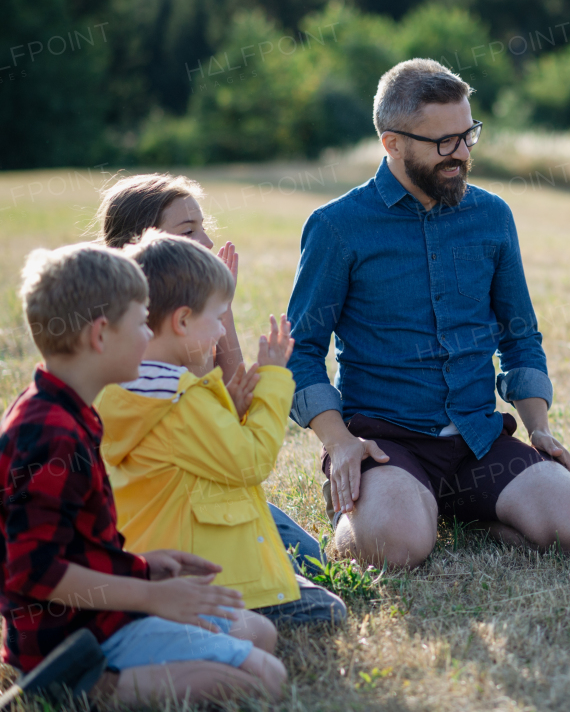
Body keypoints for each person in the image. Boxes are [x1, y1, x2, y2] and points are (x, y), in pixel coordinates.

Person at [286, 58, 570, 568]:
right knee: (397, 548)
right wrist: (339, 442)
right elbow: (300, 351)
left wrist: (538, 426)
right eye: (443, 143)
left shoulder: (493, 216)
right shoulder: (336, 227)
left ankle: (453, 509)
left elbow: (520, 335)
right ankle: (380, 508)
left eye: (468, 135)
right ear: (392, 143)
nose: (461, 154)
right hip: (386, 443)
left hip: (478, 440)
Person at [1, 243, 285, 704]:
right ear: (100, 336)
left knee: (257, 632)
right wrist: (148, 597)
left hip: (105, 614)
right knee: (265, 676)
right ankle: (85, 688)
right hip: (74, 640)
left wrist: (143, 568)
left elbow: (75, 545)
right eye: (139, 323)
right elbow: (31, 571)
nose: (147, 334)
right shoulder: (50, 434)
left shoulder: (69, 411)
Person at [96, 232, 346, 628]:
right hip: (209, 578)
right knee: (328, 613)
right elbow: (250, 463)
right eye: (216, 318)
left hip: (155, 566)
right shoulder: (181, 400)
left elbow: (195, 454)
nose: (220, 333)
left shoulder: (131, 391)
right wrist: (275, 383)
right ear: (181, 321)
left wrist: (227, 406)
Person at [97, 173, 324, 575]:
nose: (206, 243)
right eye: (189, 231)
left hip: (210, 494)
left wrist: (221, 309)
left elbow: (233, 411)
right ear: (145, 246)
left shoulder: (192, 319)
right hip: (162, 513)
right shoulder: (127, 345)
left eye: (204, 228)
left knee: (311, 559)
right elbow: (231, 434)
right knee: (294, 571)